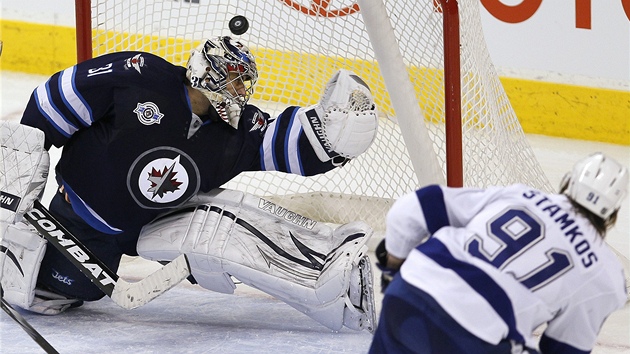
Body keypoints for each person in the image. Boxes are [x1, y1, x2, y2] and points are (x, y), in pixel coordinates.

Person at [0, 36, 378, 332]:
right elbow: (56, 100)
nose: (240, 91)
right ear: (205, 72)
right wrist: (17, 167)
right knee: (55, 293)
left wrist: (334, 137)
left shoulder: (237, 131)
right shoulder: (140, 76)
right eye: (232, 79)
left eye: (242, 82)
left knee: (225, 225)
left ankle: (328, 276)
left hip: (158, 223)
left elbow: (284, 143)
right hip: (78, 220)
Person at [369, 152, 628, 353]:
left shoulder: (519, 195)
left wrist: (393, 270)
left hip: (408, 293)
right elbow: (565, 349)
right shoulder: (605, 274)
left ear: (567, 182)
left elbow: (409, 209)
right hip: (476, 337)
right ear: (613, 215)